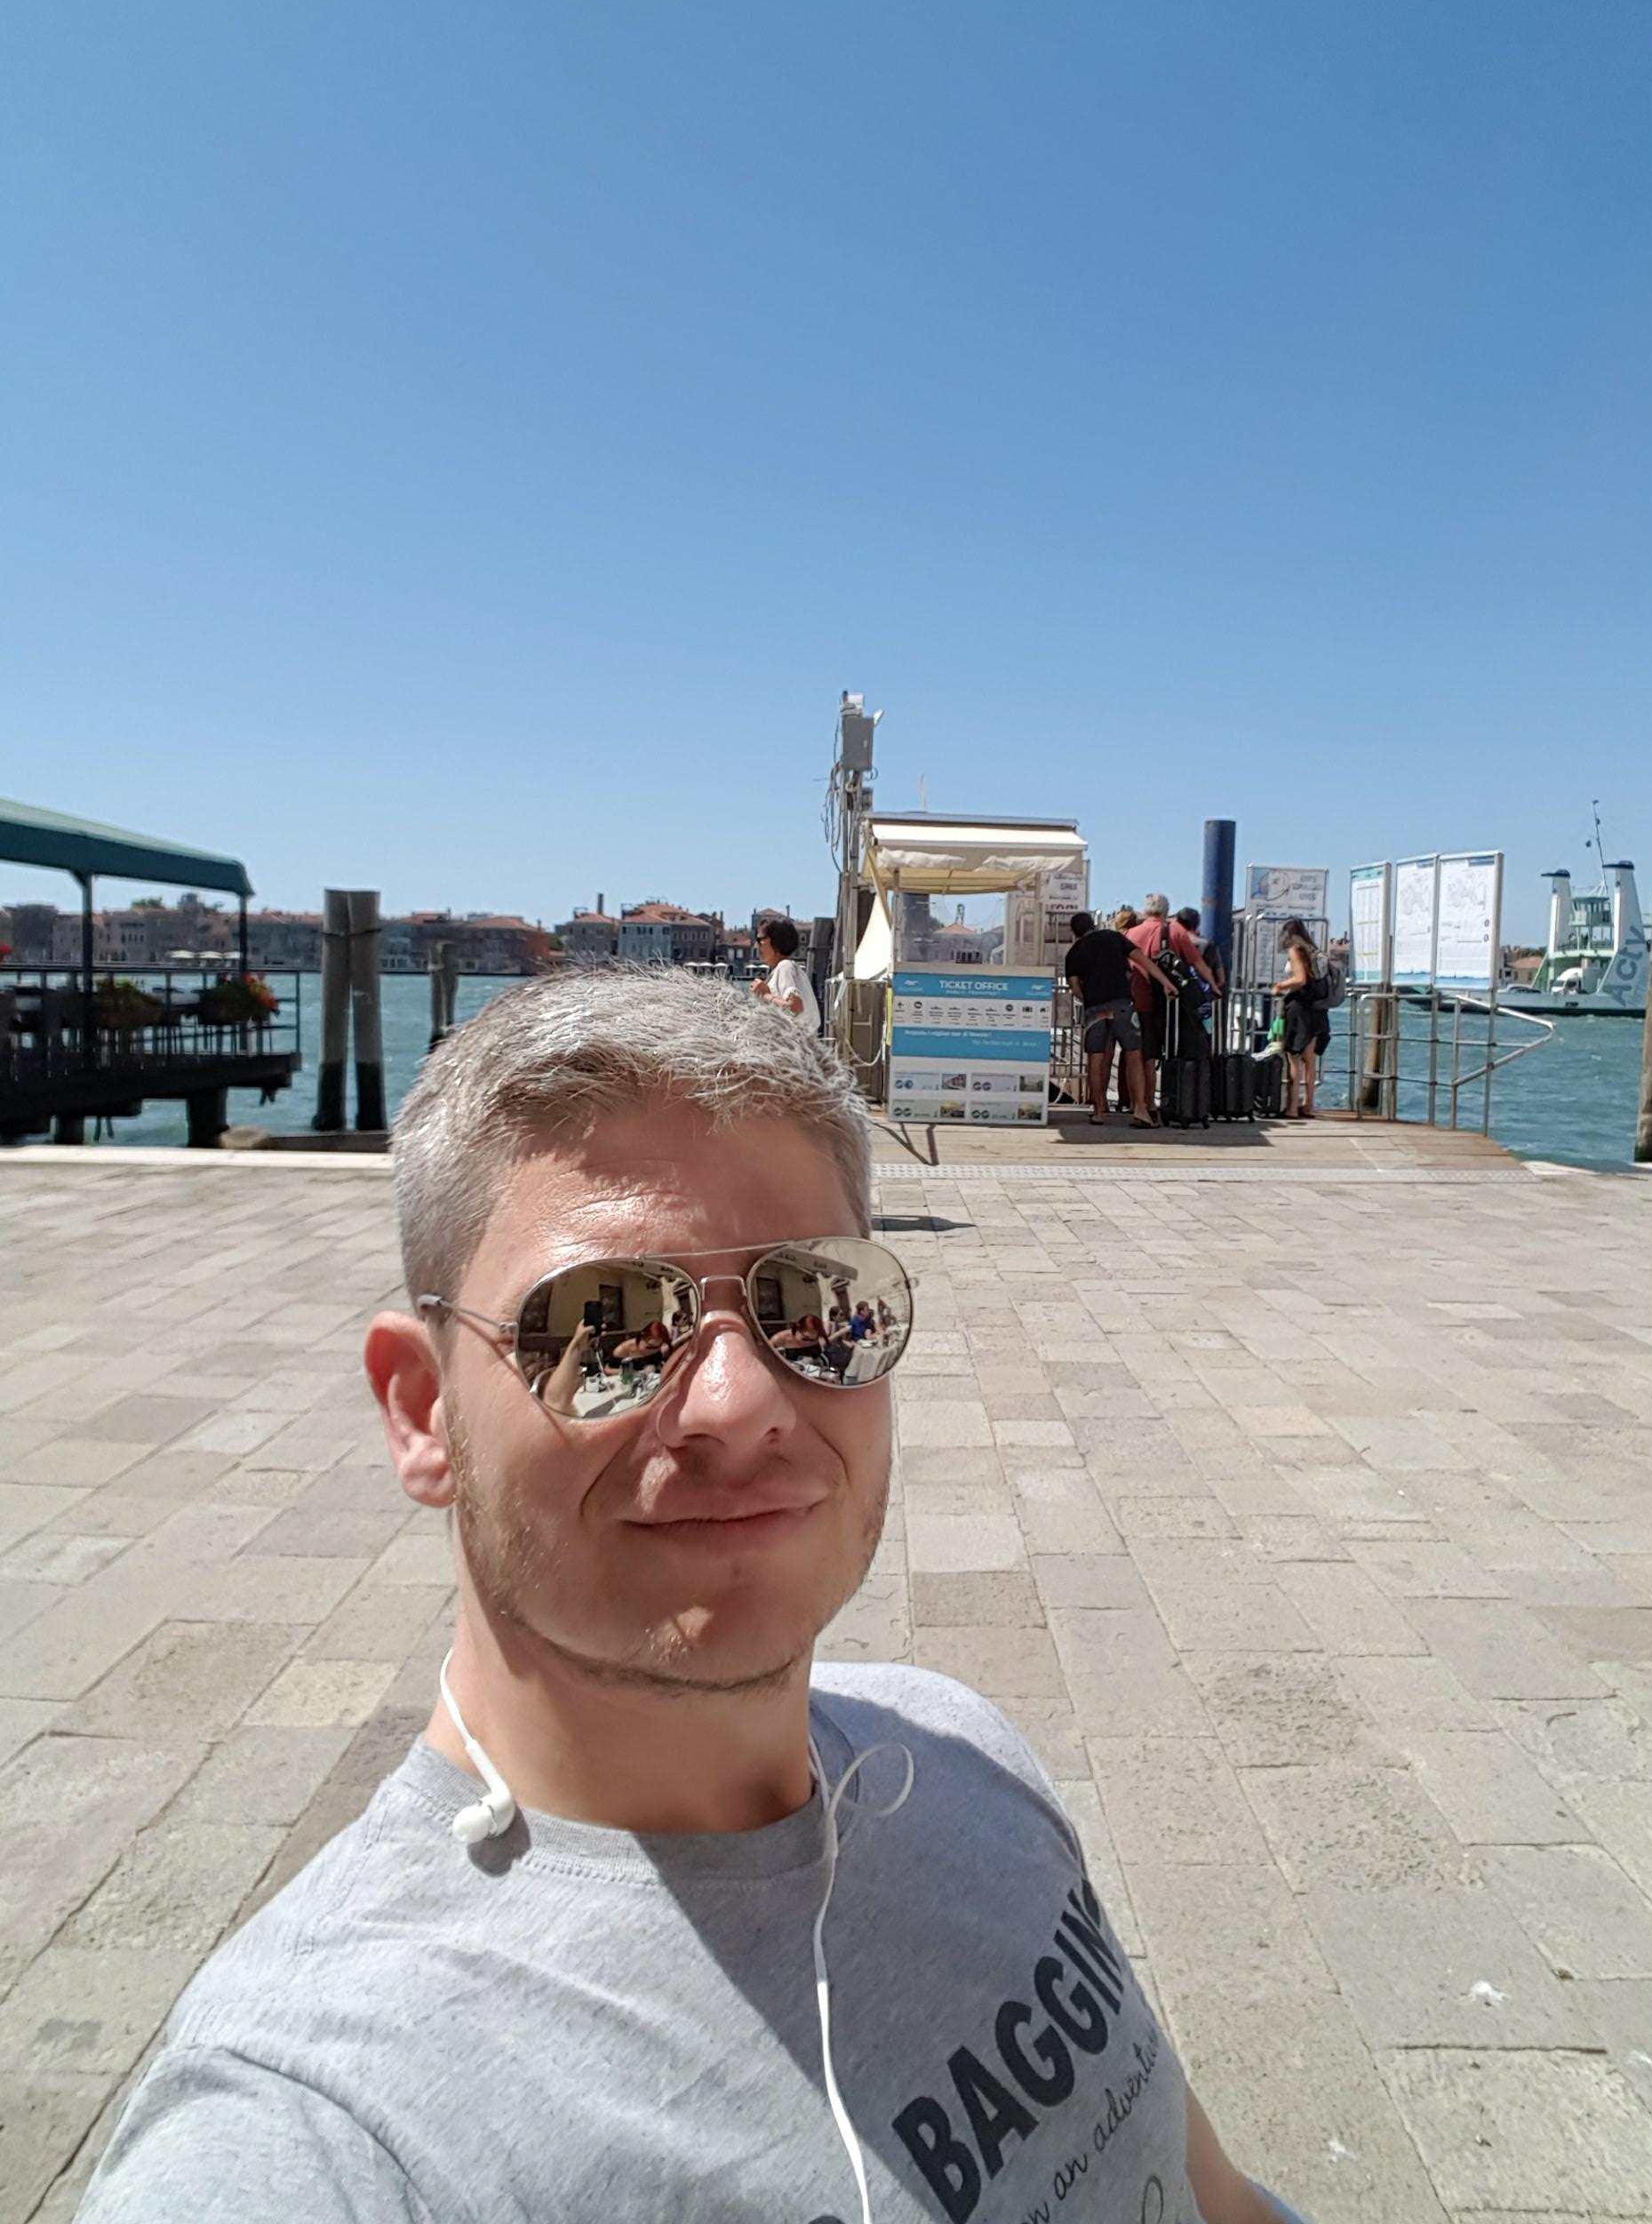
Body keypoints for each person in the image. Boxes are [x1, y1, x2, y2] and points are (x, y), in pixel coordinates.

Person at [78, 967, 1300, 2224]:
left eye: (814, 1304)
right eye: (603, 1324)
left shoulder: (967, 1752)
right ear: (423, 1410)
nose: (739, 1402)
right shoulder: (326, 2130)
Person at [1062, 910, 1165, 1129]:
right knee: (1133, 1053)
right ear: (1093, 924)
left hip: (1095, 1009)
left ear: (1075, 932)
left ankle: (1098, 1110)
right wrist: (1166, 983)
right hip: (1122, 1004)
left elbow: (1074, 986)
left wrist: (1089, 999)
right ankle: (1140, 1110)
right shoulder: (1114, 938)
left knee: (1096, 1057)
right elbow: (1139, 961)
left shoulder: (1074, 952)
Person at [1127, 894, 1211, 1112]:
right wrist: (1214, 985)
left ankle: (1139, 1103)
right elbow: (1197, 962)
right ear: (1165, 911)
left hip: (1136, 999)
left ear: (1146, 911)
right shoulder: (1174, 931)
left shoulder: (1131, 933)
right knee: (1164, 1053)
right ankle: (1161, 1102)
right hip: (1167, 1003)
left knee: (1141, 1054)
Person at [1273, 916, 1327, 1119]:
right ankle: (1308, 1105)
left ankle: (1292, 1108)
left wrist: (1280, 986)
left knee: (1294, 1057)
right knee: (1310, 1060)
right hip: (1316, 1008)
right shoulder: (1313, 950)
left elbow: (1300, 978)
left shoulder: (1295, 950)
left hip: (1299, 1008)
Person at [753, 916, 820, 1023]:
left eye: (760, 940)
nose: (756, 945)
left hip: (795, 1034)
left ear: (776, 940)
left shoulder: (784, 967)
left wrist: (765, 995)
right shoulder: (788, 968)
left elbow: (795, 1008)